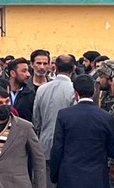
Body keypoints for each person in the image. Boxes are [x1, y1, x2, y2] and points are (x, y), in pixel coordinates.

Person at [49, 75, 114, 188]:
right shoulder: (106, 117)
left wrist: (54, 175)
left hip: (69, 177)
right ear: (94, 92)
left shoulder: (64, 115)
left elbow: (57, 148)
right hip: (97, 177)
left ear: (75, 93)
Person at [33, 54, 76, 188]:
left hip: (45, 145)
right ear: (74, 68)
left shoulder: (42, 89)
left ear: (55, 67)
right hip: (68, 147)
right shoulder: (74, 91)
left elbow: (36, 121)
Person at [7, 57, 36, 122]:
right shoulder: (2, 92)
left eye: (28, 71)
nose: (28, 74)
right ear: (13, 73)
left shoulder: (31, 94)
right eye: (24, 71)